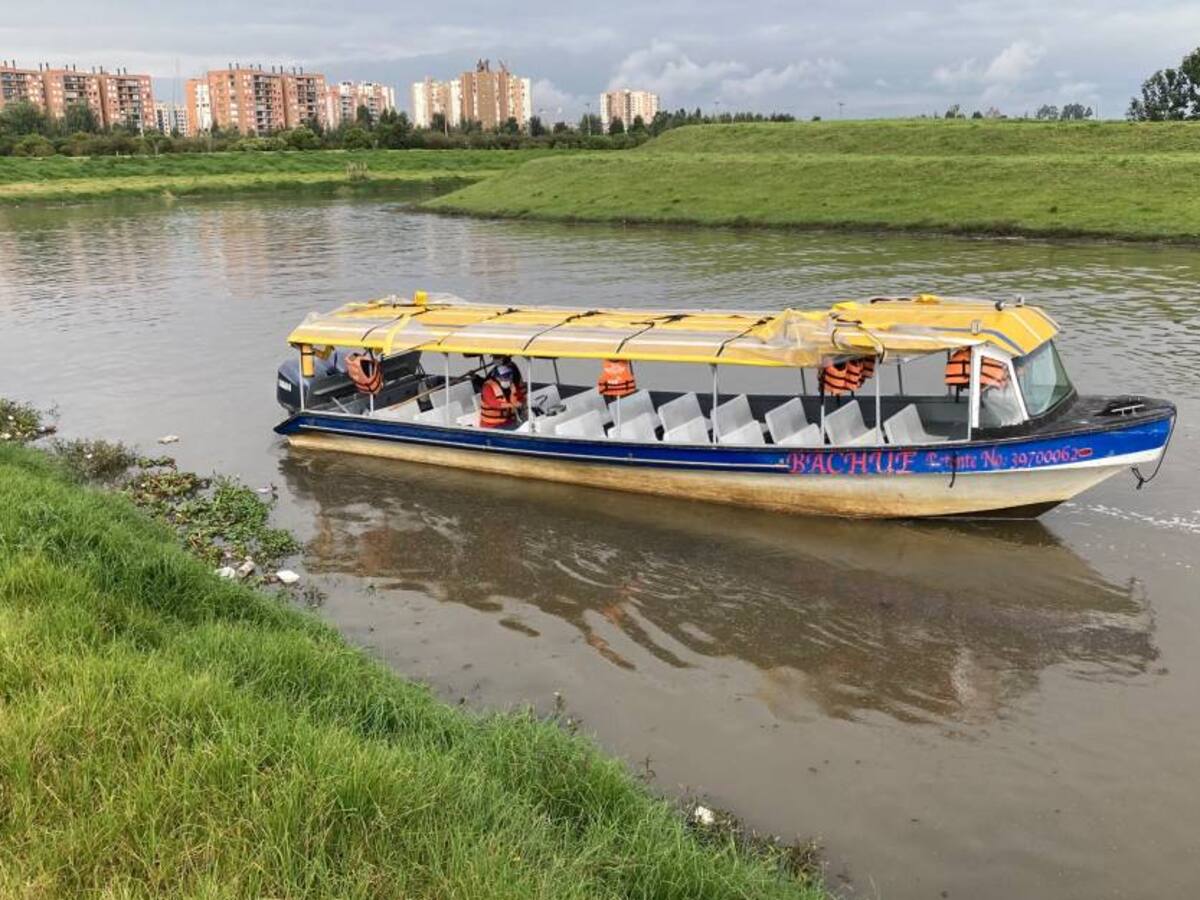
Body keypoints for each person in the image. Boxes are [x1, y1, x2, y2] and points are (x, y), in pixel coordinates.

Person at [479, 362, 525, 429]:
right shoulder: (488, 387)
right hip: (491, 425)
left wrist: (522, 403)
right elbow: (495, 404)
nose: (507, 379)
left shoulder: (512, 385)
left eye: (509, 376)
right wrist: (513, 405)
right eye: (504, 377)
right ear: (497, 377)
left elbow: (520, 397)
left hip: (509, 421)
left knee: (526, 425)